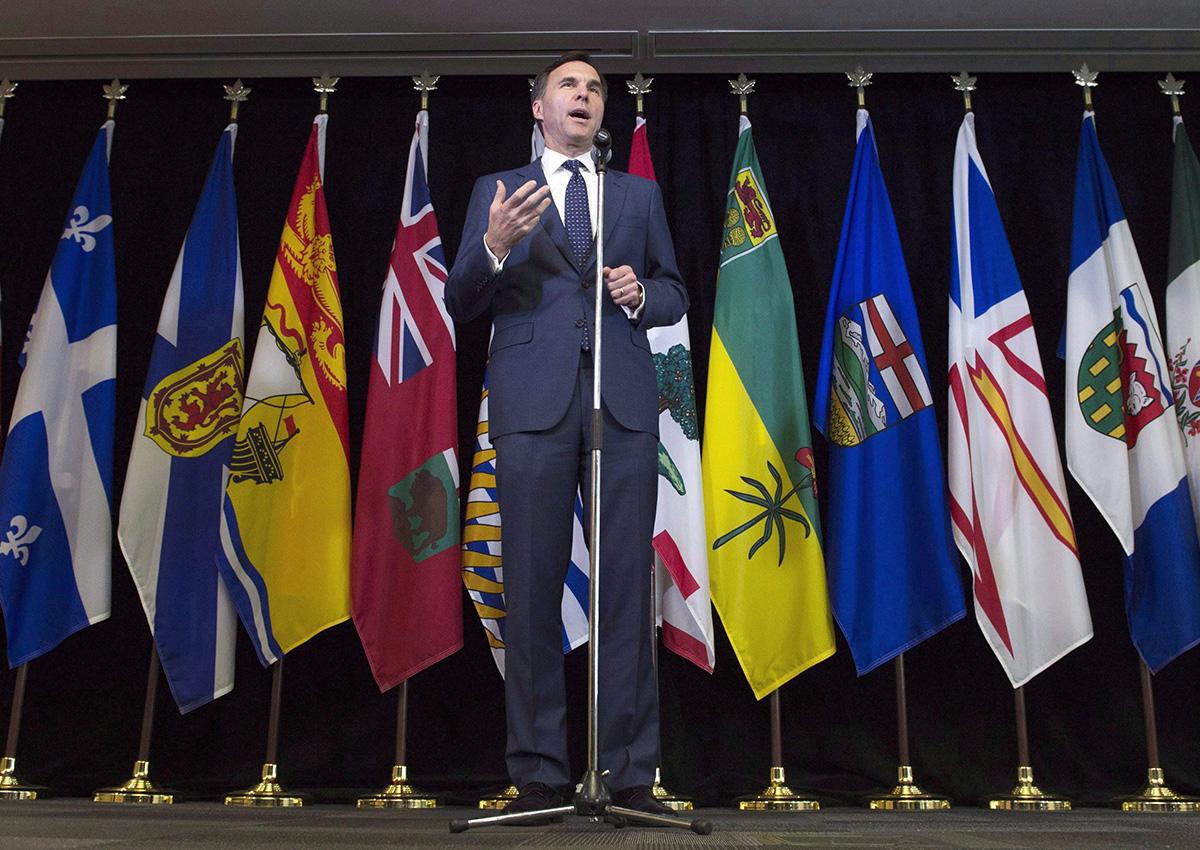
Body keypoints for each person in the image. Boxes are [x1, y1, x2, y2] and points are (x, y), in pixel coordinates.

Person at [445, 51, 688, 819]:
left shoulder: (636, 196)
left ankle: (628, 776)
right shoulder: (498, 192)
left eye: (593, 90)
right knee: (531, 593)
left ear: (600, 114)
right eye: (568, 87)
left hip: (618, 408)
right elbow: (460, 298)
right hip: (530, 408)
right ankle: (540, 776)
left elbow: (676, 292)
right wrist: (490, 246)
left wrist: (642, 293)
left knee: (623, 594)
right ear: (539, 109)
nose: (582, 97)